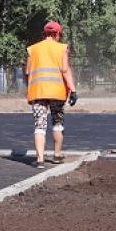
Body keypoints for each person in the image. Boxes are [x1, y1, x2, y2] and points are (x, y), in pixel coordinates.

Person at [25, 21, 77, 169]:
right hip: (57, 92)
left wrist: (29, 89)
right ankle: (57, 155)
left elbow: (28, 72)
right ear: (57, 34)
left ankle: (40, 160)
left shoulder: (32, 49)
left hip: (38, 92)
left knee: (39, 125)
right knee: (57, 122)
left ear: (44, 33)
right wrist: (73, 90)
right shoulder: (62, 48)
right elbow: (65, 71)